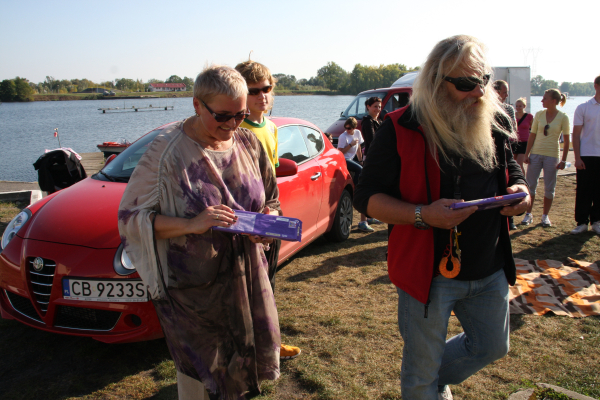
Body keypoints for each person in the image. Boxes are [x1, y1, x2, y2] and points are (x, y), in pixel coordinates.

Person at [353, 35, 530, 400]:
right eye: (466, 83)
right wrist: (422, 215)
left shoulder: (494, 117)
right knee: (420, 375)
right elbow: (366, 199)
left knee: (491, 346)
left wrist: (521, 189)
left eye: (483, 80)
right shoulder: (400, 126)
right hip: (427, 274)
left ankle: (430, 378)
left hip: (489, 265)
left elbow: (508, 166)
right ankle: (424, 381)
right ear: (436, 81)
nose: (479, 92)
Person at [118, 65, 281, 400]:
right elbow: (131, 219)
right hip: (194, 294)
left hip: (247, 280)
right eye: (222, 116)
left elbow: (272, 201)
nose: (232, 125)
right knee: (201, 380)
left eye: (240, 115)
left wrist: (265, 225)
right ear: (196, 104)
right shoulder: (167, 152)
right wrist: (192, 224)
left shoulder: (248, 142)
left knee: (240, 372)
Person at [234, 59, 302, 360]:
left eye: (266, 89)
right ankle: (247, 348)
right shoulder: (235, 129)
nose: (262, 96)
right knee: (245, 286)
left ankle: (271, 343)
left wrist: (273, 211)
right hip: (245, 218)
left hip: (270, 215)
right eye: (253, 91)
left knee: (269, 281)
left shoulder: (272, 128)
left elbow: (271, 175)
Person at [521, 89, 570, 227]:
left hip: (552, 156)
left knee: (549, 187)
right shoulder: (539, 114)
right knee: (530, 186)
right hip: (535, 154)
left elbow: (567, 141)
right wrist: (527, 154)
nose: (542, 100)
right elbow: (532, 135)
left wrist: (563, 160)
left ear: (553, 101)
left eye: (545, 98)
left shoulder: (563, 117)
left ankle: (545, 216)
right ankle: (528, 214)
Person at [570, 75, 600, 235]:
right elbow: (576, 134)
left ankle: (597, 221)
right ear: (596, 86)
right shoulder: (583, 107)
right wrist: (577, 158)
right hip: (586, 154)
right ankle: (582, 222)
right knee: (584, 190)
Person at [337, 117, 374, 232]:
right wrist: (350, 145)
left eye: (349, 128)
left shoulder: (357, 133)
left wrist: (361, 160)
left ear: (354, 128)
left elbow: (358, 148)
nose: (347, 130)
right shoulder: (343, 136)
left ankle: (369, 217)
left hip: (352, 159)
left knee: (364, 169)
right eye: (346, 128)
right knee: (360, 171)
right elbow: (340, 152)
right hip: (344, 160)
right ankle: (357, 187)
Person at [494, 80, 518, 230]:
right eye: (504, 92)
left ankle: (511, 218)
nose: (506, 95)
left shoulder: (508, 109)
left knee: (507, 184)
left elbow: (513, 129)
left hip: (506, 149)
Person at [513, 97, 534, 173]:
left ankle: (522, 179)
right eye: (517, 106)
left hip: (524, 142)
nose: (518, 108)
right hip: (513, 141)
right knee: (512, 164)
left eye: (520, 106)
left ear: (524, 106)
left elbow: (534, 130)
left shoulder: (529, 116)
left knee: (519, 164)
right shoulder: (512, 116)